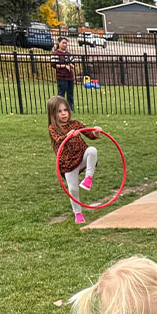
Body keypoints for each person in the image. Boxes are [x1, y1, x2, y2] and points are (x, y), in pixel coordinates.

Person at [47, 94, 99, 225]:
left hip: (81, 157)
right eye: (59, 111)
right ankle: (78, 214)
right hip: (68, 164)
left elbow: (90, 135)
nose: (64, 114)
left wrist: (96, 132)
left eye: (65, 110)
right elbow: (58, 140)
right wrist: (67, 136)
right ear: (53, 114)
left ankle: (88, 179)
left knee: (92, 150)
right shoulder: (53, 128)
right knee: (73, 189)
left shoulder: (75, 124)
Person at [50, 36, 75, 109]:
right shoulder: (56, 53)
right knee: (61, 95)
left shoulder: (68, 54)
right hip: (61, 77)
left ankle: (70, 108)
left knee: (70, 94)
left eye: (66, 43)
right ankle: (60, 108)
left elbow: (73, 63)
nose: (64, 45)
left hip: (70, 77)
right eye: (63, 43)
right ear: (59, 43)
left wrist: (71, 65)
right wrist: (64, 66)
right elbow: (54, 65)